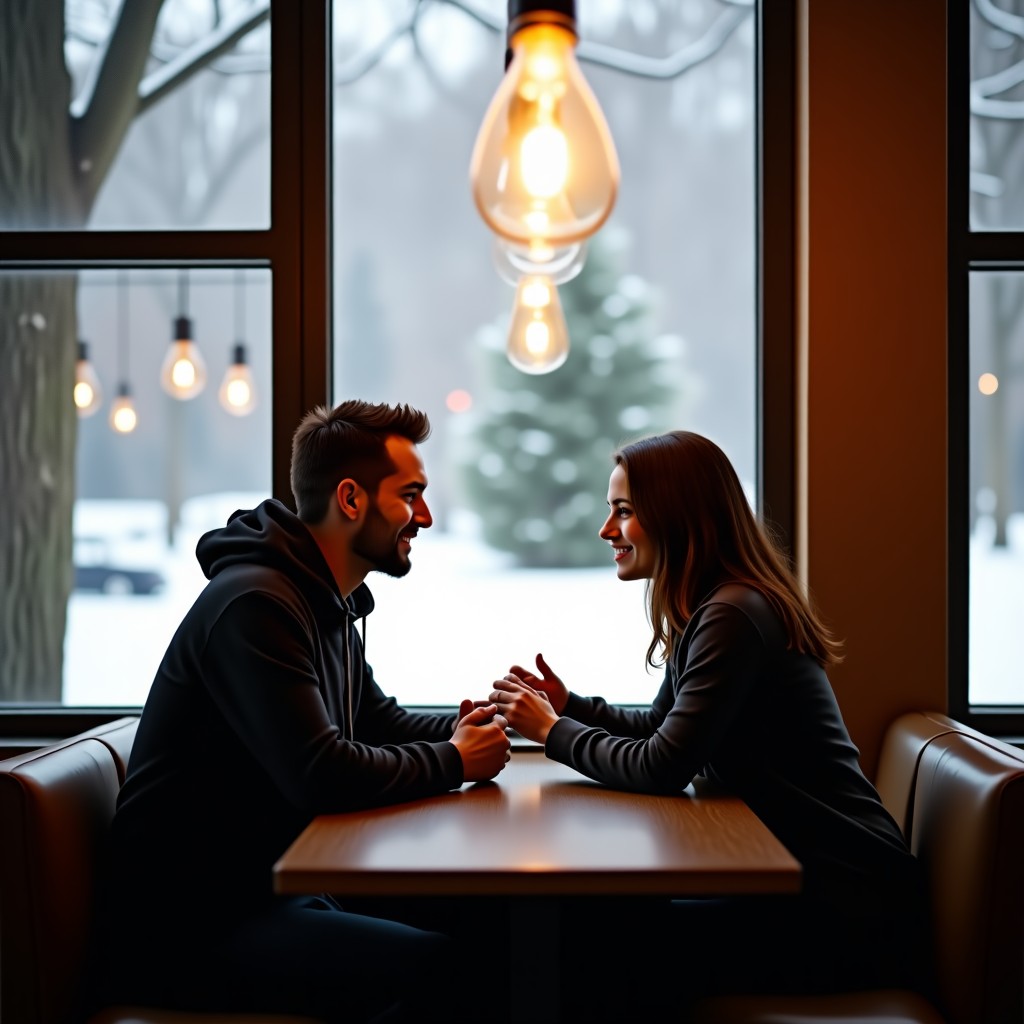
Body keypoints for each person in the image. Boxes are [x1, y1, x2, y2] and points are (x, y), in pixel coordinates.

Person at [89, 400, 510, 1024]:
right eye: (411, 495)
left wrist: (480, 725)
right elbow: (322, 773)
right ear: (350, 499)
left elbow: (378, 722)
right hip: (189, 929)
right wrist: (454, 759)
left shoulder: (323, 600)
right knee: (443, 967)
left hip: (273, 892)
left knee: (492, 922)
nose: (424, 516)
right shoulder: (255, 603)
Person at [490, 430, 930, 1019]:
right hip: (818, 893)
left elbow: (662, 765)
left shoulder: (733, 614)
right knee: (601, 926)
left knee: (596, 943)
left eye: (623, 511)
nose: (606, 529)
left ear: (677, 515)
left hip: (847, 911)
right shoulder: (717, 607)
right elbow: (659, 726)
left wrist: (551, 732)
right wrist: (568, 706)